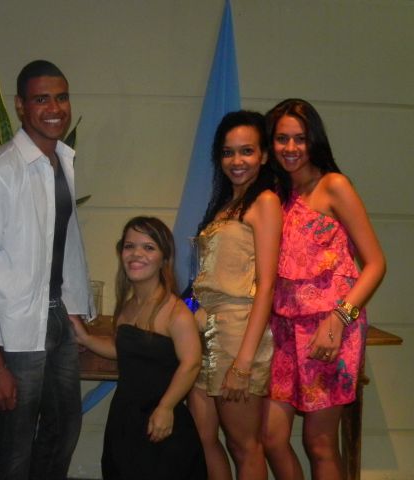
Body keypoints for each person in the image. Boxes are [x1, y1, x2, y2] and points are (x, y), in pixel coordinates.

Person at [0, 60, 95, 480]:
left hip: (55, 318)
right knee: (13, 445)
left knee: (64, 429)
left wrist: (72, 310)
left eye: (62, 97)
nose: (55, 108)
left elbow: (60, 247)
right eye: (41, 99)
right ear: (20, 106)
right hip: (12, 333)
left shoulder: (60, 162)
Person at [261, 99, 386, 480]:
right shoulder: (275, 194)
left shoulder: (334, 186)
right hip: (283, 328)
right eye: (282, 138)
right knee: (271, 437)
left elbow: (376, 264)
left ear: (314, 139)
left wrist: (339, 319)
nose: (291, 147)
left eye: (300, 138)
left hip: (332, 326)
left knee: (319, 443)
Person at [187, 110, 285, 480]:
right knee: (203, 437)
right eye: (228, 152)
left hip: (238, 332)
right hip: (206, 330)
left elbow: (267, 285)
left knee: (245, 445)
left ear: (263, 155)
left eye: (247, 151)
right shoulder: (226, 204)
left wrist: (243, 364)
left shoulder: (265, 202)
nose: (237, 161)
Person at [71, 216, 206, 480]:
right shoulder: (128, 306)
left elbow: (191, 363)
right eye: (129, 246)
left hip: (161, 423)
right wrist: (85, 338)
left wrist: (166, 407)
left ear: (164, 258)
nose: (136, 254)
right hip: (125, 420)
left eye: (148, 247)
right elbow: (122, 349)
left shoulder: (175, 311)